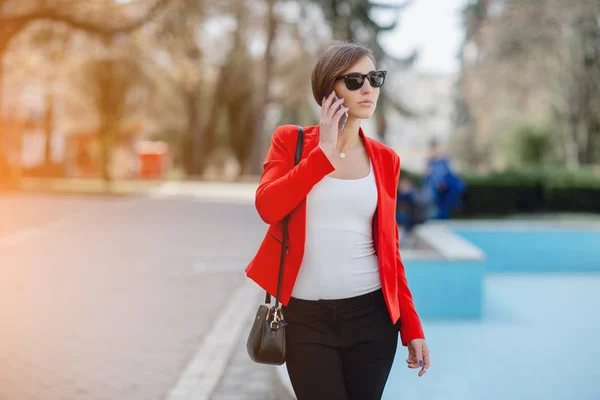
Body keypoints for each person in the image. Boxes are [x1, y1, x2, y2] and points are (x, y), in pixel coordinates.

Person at [245, 42, 429, 400]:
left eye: (375, 78)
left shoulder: (385, 159)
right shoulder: (291, 142)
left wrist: (412, 326)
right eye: (356, 79)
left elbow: (390, 251)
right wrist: (324, 153)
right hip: (304, 319)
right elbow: (268, 207)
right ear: (329, 88)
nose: (368, 89)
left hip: (372, 317)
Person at [423, 139, 465, 219]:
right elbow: (426, 179)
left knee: (444, 210)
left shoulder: (446, 161)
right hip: (435, 192)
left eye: (434, 149)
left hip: (445, 191)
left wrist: (445, 183)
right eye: (431, 149)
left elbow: (454, 176)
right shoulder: (430, 163)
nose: (433, 151)